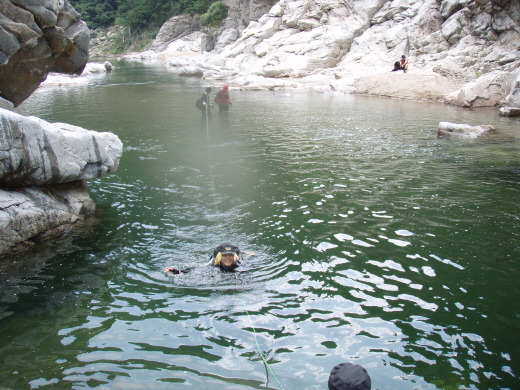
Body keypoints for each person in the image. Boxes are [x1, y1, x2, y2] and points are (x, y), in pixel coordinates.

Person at [164, 243, 243, 274]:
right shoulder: (212, 266)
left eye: (230, 255)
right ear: (219, 256)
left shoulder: (239, 263)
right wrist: (176, 270)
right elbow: (196, 270)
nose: (228, 258)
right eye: (224, 256)